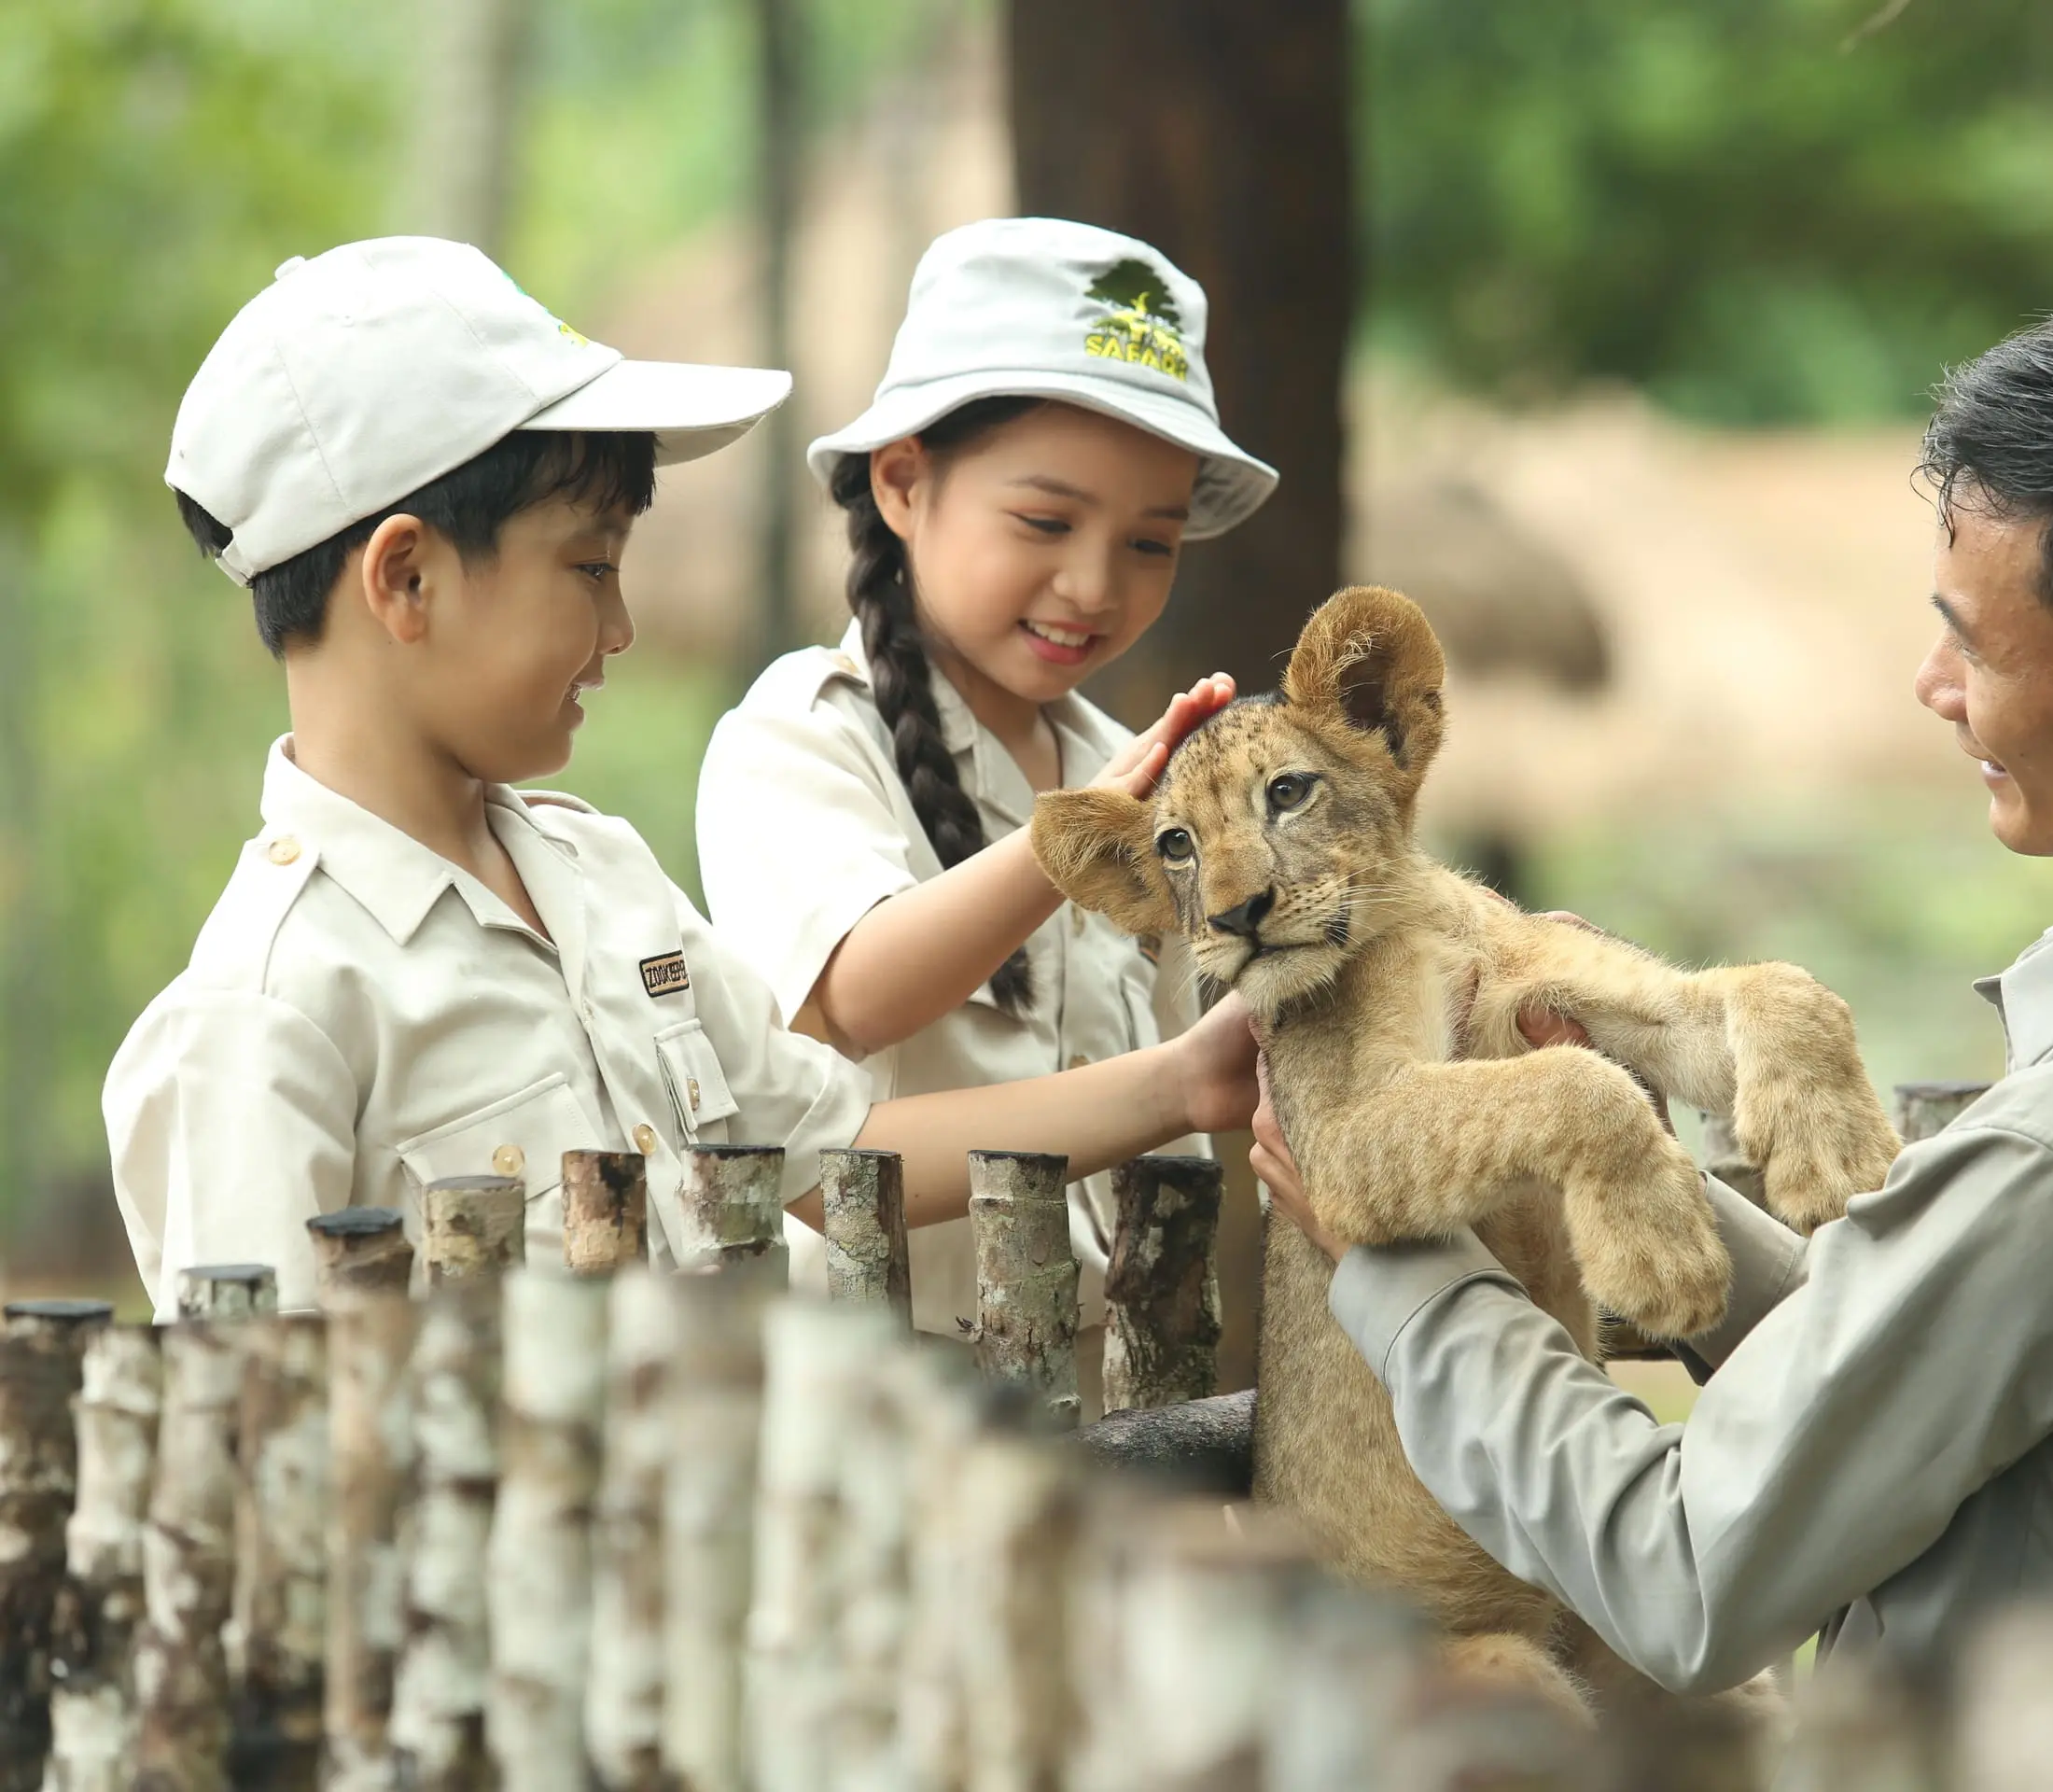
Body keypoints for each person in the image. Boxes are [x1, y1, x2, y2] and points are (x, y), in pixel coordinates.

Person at [1249, 284, 2053, 1687]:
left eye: (1979, 644)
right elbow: (1946, 1359)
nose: (1932, 685)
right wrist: (1622, 1157)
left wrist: (1409, 1281)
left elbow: (1687, 1571)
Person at [104, 236, 1257, 1317]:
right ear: (407, 579)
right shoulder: (265, 1015)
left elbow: (837, 1157)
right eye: (589, 569)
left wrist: (1183, 1084)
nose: (623, 627)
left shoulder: (603, 882)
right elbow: (254, 1445)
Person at [691, 217, 1278, 1377]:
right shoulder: (801, 740)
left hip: (1103, 1416)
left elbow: (1191, 1091)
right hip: (871, 1414)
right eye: (1046, 522)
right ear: (904, 483)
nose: (1095, 584)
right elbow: (854, 995)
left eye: (1152, 543)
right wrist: (1074, 843)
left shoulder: (1135, 769)